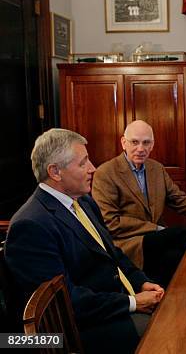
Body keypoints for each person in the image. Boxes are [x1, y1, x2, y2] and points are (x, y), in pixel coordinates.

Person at [5, 128, 164, 354]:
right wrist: (132, 303)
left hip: (106, 305)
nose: (93, 168)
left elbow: (113, 254)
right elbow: (66, 302)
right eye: (83, 163)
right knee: (162, 332)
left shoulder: (84, 202)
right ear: (55, 172)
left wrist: (140, 282)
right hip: (64, 334)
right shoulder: (30, 225)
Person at [92, 120, 186, 287]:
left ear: (152, 145)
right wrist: (155, 229)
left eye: (146, 142)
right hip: (129, 243)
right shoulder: (106, 173)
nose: (141, 148)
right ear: (123, 143)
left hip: (159, 240)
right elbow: (110, 223)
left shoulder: (157, 169)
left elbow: (180, 200)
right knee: (182, 236)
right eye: (134, 142)